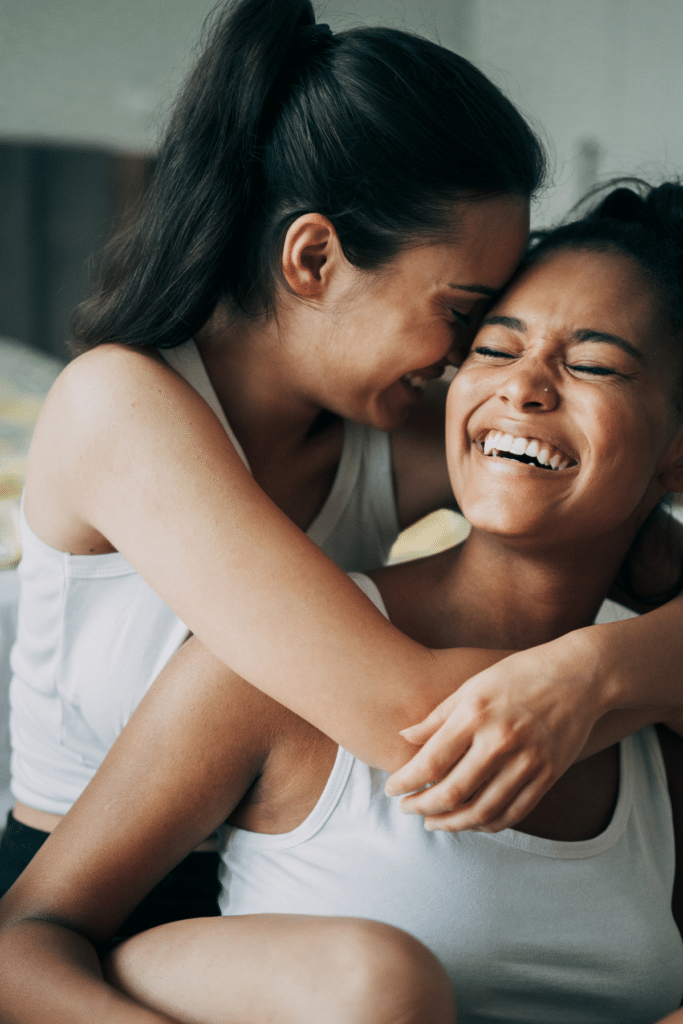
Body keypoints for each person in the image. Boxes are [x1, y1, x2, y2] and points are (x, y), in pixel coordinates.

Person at [4, 0, 683, 926]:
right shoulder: (117, 405)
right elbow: (404, 718)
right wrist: (597, 679)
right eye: (465, 314)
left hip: (274, 899)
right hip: (89, 902)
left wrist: (597, 667)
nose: (464, 361)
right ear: (314, 256)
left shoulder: (389, 434)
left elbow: (613, 524)